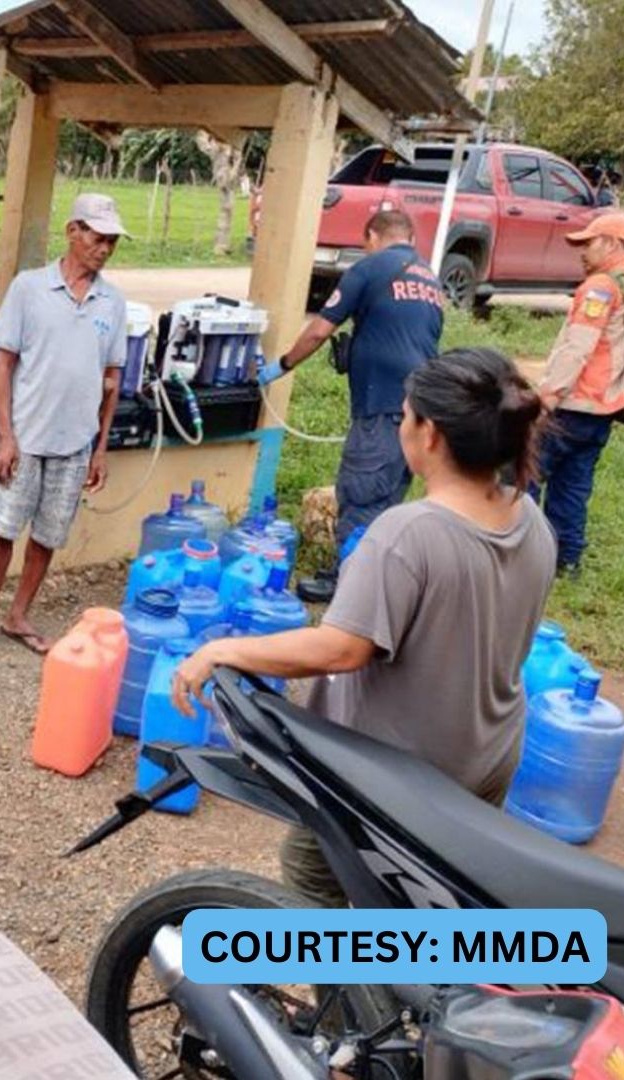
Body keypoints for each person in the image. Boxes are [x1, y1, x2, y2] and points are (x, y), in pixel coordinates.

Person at [172, 348, 556, 909]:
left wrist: (225, 648)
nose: (401, 424)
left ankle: (358, 998)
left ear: (431, 435)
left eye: (406, 415)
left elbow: (341, 647)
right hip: (486, 757)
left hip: (396, 774)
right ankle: (417, 992)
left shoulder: (408, 534)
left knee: (314, 879)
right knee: (428, 895)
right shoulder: (532, 521)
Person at [0, 194, 129, 661]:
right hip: (27, 437)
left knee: (49, 535)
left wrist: (99, 448)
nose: (105, 248)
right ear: (73, 231)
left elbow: (113, 379)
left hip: (75, 443)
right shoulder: (29, 288)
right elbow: (2, 364)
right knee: (4, 528)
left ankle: (19, 615)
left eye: (112, 240)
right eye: (98, 237)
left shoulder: (112, 302)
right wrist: (6, 436)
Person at [259, 210, 445, 602]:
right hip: (420, 410)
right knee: (387, 497)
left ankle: (348, 583)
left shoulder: (370, 268)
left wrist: (280, 366)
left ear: (372, 236)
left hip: (381, 406)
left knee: (360, 492)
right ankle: (376, 578)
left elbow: (319, 331)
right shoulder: (430, 278)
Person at [532, 211, 624, 579]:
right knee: (574, 486)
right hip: (606, 407)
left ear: (612, 242)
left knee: (525, 474)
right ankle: (567, 560)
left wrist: (548, 397)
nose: (582, 252)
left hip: (573, 402)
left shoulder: (600, 287)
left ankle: (517, 554)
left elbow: (578, 348)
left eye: (588, 243)